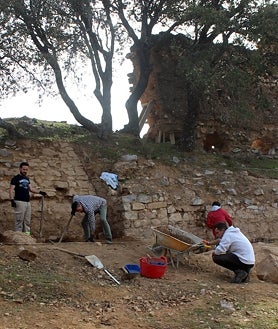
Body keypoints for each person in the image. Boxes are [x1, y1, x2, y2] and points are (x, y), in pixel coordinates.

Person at [9, 161, 47, 235]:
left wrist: (40, 192)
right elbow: (11, 189)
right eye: (24, 169)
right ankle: (19, 238)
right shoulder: (15, 178)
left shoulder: (27, 178)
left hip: (27, 202)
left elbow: (31, 189)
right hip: (19, 202)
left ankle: (27, 237)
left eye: (26, 169)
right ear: (20, 169)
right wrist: (12, 200)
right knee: (19, 220)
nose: (25, 171)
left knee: (27, 221)